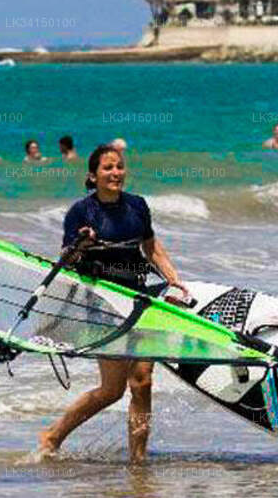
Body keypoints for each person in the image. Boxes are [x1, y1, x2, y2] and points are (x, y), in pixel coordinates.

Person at [37, 144, 190, 464]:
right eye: (107, 168)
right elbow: (67, 260)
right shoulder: (81, 212)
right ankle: (53, 435)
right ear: (93, 176)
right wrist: (83, 242)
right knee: (111, 391)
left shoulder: (137, 206)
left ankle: (139, 459)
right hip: (101, 304)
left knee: (143, 381)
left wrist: (172, 277)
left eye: (119, 167)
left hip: (137, 299)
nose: (115, 173)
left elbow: (151, 247)